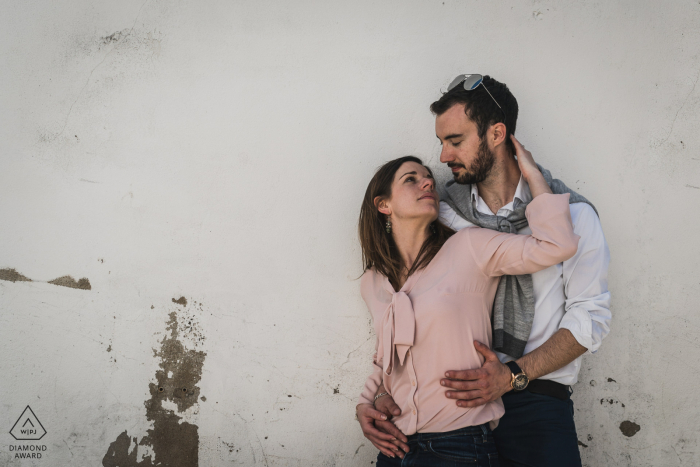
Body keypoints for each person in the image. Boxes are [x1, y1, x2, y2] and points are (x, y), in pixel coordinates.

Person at [369, 75, 611, 466]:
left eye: (456, 140)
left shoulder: (571, 217)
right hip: (452, 412)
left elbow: (591, 317)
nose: (443, 157)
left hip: (536, 403)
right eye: (442, 142)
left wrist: (512, 374)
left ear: (497, 133)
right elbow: (403, 316)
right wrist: (378, 395)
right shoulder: (441, 214)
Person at [355, 141, 581, 466]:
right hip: (394, 447)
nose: (428, 182)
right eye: (411, 179)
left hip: (460, 446)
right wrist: (368, 402)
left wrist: (533, 175)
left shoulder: (470, 247)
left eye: (428, 177)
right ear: (383, 205)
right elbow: (386, 357)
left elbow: (556, 244)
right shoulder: (373, 281)